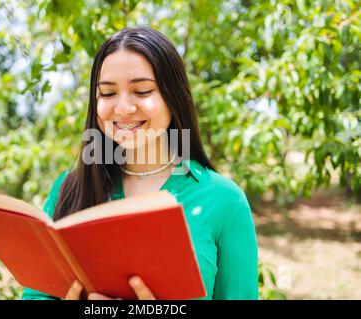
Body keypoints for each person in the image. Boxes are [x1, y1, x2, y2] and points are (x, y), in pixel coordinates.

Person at [22, 26, 258, 300]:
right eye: (108, 93)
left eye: (143, 90)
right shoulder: (70, 188)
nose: (123, 108)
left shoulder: (224, 200)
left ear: (174, 96)